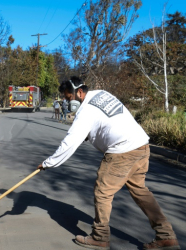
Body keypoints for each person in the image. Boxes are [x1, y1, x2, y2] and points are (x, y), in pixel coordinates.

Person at [37, 76, 180, 250]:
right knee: (140, 191)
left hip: (122, 152)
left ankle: (100, 237)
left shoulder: (85, 111)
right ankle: (166, 236)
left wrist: (48, 163)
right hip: (141, 145)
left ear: (79, 92)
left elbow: (70, 142)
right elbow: (110, 121)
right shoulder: (102, 94)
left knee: (103, 192)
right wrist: (90, 134)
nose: (68, 102)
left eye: (68, 98)